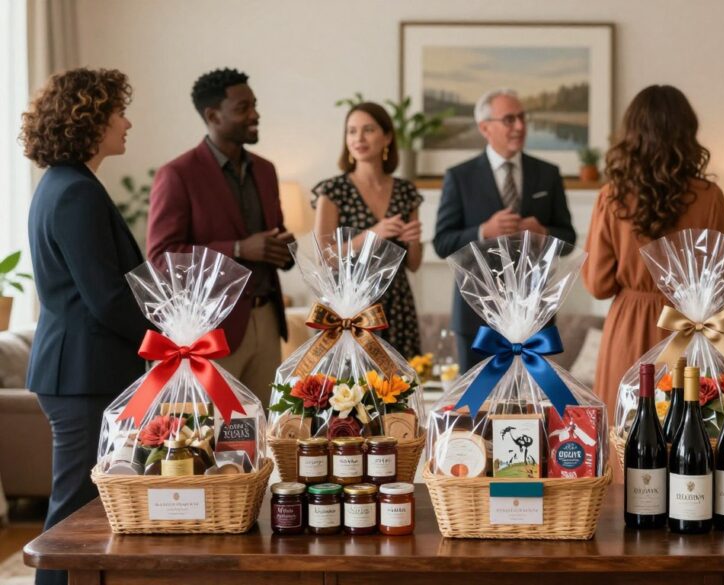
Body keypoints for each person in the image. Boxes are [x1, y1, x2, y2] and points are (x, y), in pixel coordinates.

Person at [21, 68, 150, 585]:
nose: (127, 122)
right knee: (72, 515)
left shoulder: (68, 184)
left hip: (83, 370)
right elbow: (106, 298)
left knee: (91, 508)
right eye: (118, 112)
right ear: (89, 119)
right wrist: (164, 338)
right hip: (82, 374)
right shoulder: (75, 190)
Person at [147, 68, 293, 405]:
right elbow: (162, 258)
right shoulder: (178, 174)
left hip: (267, 321)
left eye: (254, 105)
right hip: (211, 329)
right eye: (243, 108)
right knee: (213, 439)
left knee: (264, 434)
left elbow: (274, 234)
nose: (255, 114)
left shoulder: (266, 170)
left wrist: (284, 249)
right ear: (213, 115)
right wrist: (240, 249)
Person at [583, 84, 724, 411]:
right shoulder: (710, 196)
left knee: (625, 436)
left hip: (627, 328)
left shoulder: (612, 197)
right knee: (689, 433)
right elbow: (723, 283)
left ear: (632, 134)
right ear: (687, 132)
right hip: (687, 327)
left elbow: (597, 284)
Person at [433, 88, 575, 371]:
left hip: (535, 318)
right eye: (509, 119)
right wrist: (483, 231)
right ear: (485, 128)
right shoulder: (459, 177)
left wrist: (544, 233)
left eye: (522, 118)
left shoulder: (548, 174)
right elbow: (442, 243)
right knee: (478, 411)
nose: (520, 126)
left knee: (533, 409)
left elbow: (569, 240)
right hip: (476, 321)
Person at [312, 102, 423, 358]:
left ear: (387, 137)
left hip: (397, 306)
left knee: (397, 390)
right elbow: (323, 258)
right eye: (351, 131)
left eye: (368, 130)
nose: (358, 138)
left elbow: (414, 264)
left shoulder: (406, 191)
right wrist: (370, 236)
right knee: (348, 393)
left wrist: (414, 241)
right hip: (350, 308)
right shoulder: (332, 191)